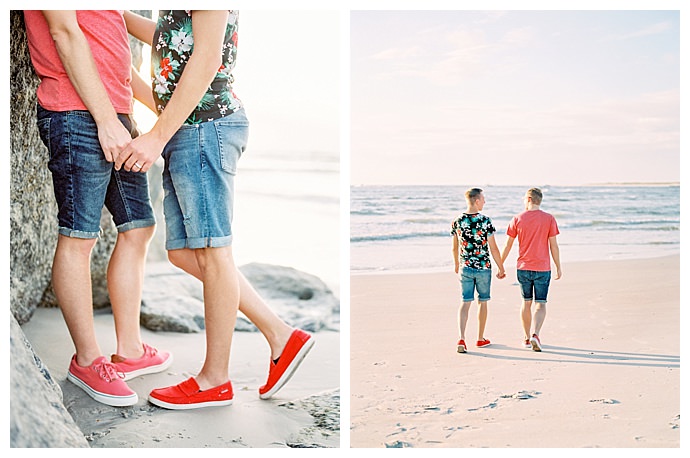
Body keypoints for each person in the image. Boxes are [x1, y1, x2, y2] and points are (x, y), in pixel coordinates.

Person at [117, 10, 314, 409]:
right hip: (187, 131)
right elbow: (174, 37)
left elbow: (206, 60)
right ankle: (281, 335)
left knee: (213, 252)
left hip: (205, 129)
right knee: (185, 254)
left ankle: (214, 379)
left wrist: (156, 136)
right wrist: (115, 15)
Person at [23, 10, 172, 407]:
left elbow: (115, 53)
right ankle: (87, 361)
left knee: (138, 226)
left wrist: (164, 115)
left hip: (116, 114)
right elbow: (63, 30)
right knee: (78, 237)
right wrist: (106, 120)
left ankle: (131, 350)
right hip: (76, 112)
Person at [501, 187, 562, 352]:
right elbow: (553, 246)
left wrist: (500, 264)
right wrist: (558, 266)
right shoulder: (549, 219)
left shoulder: (517, 218)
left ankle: (527, 338)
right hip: (543, 268)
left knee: (526, 302)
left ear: (529, 199)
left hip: (523, 268)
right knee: (540, 304)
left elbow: (508, 244)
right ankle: (536, 334)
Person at [451, 188, 506, 353]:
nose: (484, 202)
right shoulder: (485, 221)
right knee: (483, 301)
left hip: (465, 267)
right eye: (483, 199)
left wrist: (456, 264)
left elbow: (455, 247)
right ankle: (480, 339)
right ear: (476, 200)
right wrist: (501, 267)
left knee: (465, 302)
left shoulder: (458, 220)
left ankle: (461, 338)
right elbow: (494, 248)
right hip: (483, 268)